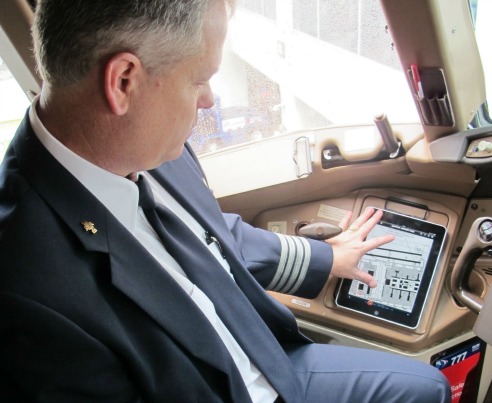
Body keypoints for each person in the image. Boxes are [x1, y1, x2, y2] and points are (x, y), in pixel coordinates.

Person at [0, 0, 451, 401]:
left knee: (427, 387)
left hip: (266, 361)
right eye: (200, 78)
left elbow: (212, 237)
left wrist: (325, 258)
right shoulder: (25, 292)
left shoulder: (140, 142)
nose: (208, 99)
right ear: (123, 81)